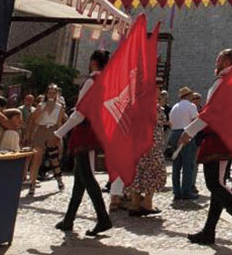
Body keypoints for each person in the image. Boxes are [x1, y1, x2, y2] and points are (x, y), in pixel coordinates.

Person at [179, 49, 232, 248]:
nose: (215, 61)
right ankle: (209, 231)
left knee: (214, 184)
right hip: (225, 137)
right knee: (217, 185)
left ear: (225, 61)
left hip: (217, 137)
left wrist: (190, 131)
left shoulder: (222, 82)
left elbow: (211, 111)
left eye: (218, 58)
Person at [52, 50, 112, 237]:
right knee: (80, 178)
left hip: (84, 131)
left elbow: (80, 112)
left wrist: (58, 133)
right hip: (92, 129)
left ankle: (103, 219)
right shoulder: (106, 82)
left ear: (93, 62)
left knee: (86, 176)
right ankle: (69, 219)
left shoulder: (92, 81)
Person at [124, 85, 169, 217]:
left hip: (136, 144)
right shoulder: (154, 107)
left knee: (138, 173)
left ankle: (135, 203)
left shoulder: (136, 106)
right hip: (150, 145)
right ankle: (147, 202)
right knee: (155, 172)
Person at [26, 84, 67, 196]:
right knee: (37, 158)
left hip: (52, 131)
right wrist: (44, 109)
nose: (52, 95)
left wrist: (59, 137)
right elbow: (34, 120)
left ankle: (59, 180)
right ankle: (32, 185)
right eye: (50, 93)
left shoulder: (59, 107)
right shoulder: (41, 105)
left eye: (54, 93)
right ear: (46, 93)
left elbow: (59, 123)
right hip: (41, 131)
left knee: (54, 159)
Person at [167, 86, 199, 201]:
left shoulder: (175, 107)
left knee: (176, 165)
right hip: (186, 133)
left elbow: (170, 122)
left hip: (174, 133)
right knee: (188, 164)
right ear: (188, 95)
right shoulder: (191, 106)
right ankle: (186, 191)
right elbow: (195, 120)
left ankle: (176, 191)